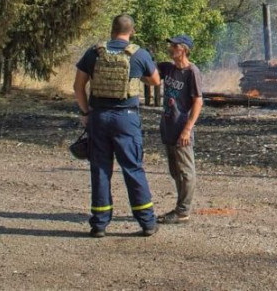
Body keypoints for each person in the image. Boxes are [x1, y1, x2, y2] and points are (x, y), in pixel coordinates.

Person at [73, 14, 160, 238]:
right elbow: (155, 81)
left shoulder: (94, 53)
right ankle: (147, 223)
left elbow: (78, 85)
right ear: (131, 31)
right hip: (126, 118)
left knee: (101, 169)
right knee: (133, 168)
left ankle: (99, 224)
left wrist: (85, 113)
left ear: (112, 30)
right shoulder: (138, 54)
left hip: (99, 117)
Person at [156, 34, 203, 224]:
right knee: (175, 171)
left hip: (182, 126)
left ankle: (183, 211)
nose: (170, 49)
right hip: (168, 125)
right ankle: (179, 207)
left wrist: (187, 129)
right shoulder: (167, 68)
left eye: (174, 46)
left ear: (183, 49)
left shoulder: (192, 72)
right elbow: (148, 75)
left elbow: (198, 101)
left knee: (186, 171)